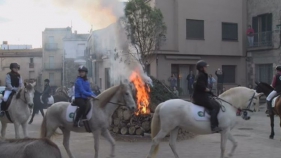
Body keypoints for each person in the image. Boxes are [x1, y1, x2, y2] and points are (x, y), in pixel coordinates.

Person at [193, 60, 221, 133]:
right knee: (214, 107)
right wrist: (208, 91)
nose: (206, 68)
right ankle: (213, 126)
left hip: (200, 95)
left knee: (215, 103)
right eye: (205, 67)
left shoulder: (200, 75)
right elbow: (201, 86)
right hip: (200, 97)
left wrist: (210, 93)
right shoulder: (202, 75)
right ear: (201, 68)